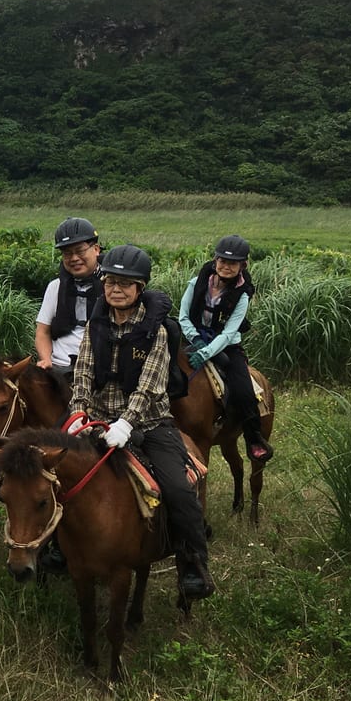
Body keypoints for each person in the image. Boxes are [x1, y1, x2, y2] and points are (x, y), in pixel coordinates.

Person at [68, 244, 215, 601]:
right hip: (98, 419)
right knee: (48, 469)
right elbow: (83, 373)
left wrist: (127, 424)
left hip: (149, 423)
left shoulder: (157, 331)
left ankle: (193, 563)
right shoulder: (96, 324)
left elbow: (150, 385)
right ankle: (55, 549)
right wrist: (76, 413)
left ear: (140, 288)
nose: (116, 289)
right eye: (110, 282)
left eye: (125, 284)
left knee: (180, 490)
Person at [178, 234, 272, 463]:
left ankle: (254, 438)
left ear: (243, 265)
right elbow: (182, 316)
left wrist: (206, 352)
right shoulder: (196, 283)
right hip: (194, 338)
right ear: (215, 260)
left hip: (226, 346)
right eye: (222, 261)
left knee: (243, 389)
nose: (226, 266)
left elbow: (230, 332)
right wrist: (195, 339)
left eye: (233, 263)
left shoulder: (242, 295)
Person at [35, 217, 104, 386]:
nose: (74, 258)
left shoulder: (112, 286)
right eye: (67, 253)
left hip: (99, 368)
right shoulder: (56, 287)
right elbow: (42, 332)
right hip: (60, 368)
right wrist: (46, 360)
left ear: (96, 249)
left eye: (80, 251)